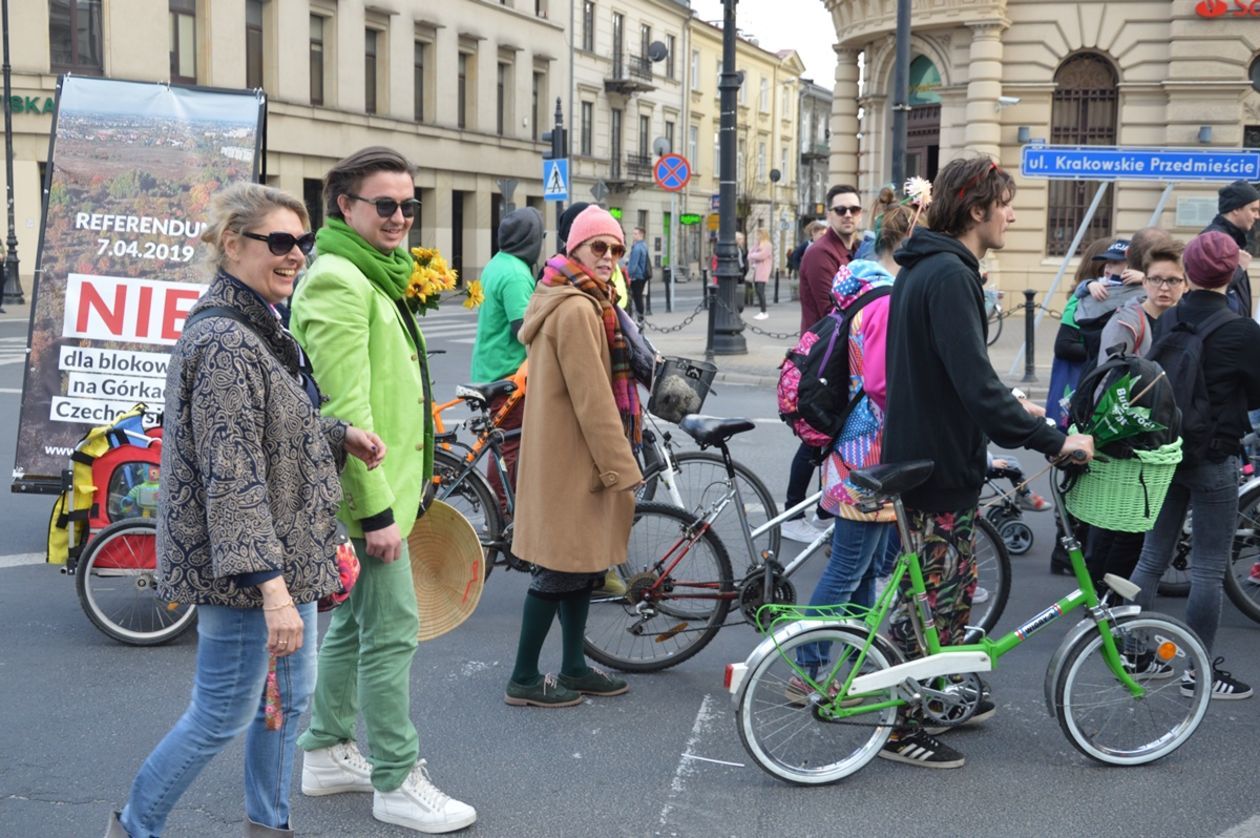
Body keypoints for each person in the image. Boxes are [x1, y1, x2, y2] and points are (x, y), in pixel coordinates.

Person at [107, 182, 386, 838]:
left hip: (281, 563)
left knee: (285, 706)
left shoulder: (261, 325)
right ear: (233, 245)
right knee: (221, 715)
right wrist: (273, 595)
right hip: (247, 577)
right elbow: (231, 478)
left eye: (303, 243)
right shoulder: (230, 342)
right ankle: (134, 828)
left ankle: (268, 825)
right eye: (280, 242)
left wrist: (336, 433)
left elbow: (270, 428)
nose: (296, 256)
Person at [881, 157, 1094, 768]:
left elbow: (955, 375)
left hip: (929, 454)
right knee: (936, 604)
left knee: (943, 594)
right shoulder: (950, 275)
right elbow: (974, 386)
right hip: (936, 465)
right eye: (1005, 204)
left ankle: (934, 692)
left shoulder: (926, 268)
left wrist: (1008, 405)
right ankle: (899, 726)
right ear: (977, 211)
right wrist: (1051, 439)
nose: (1013, 214)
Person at [290, 147, 476, 834]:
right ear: (344, 205)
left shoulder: (373, 274)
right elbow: (346, 411)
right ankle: (397, 780)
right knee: (393, 631)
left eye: (408, 205)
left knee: (360, 627)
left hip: (388, 490)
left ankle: (325, 749)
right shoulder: (340, 280)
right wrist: (374, 513)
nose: (400, 217)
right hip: (366, 498)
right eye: (385, 205)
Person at [504, 204, 643, 707]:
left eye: (615, 248)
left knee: (583, 564)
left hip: (568, 454)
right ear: (574, 249)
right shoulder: (579, 307)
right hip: (576, 458)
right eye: (597, 247)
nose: (608, 257)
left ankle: (575, 666)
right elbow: (593, 398)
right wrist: (621, 465)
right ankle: (523, 676)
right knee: (560, 569)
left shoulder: (583, 298)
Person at [1128, 231, 1260, 700]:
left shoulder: (1171, 317)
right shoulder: (1240, 329)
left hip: (1168, 450)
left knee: (1151, 557)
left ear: (1191, 271)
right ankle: (1198, 671)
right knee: (1206, 568)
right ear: (1231, 272)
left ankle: (1135, 652)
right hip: (1214, 456)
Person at [790, 203, 914, 686]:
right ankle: (808, 669)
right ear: (904, 245)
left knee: (863, 573)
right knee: (847, 569)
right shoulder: (883, 301)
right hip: (868, 451)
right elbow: (882, 384)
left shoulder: (861, 291)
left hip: (856, 447)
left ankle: (858, 663)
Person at [1078, 239, 1187, 592]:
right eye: (1156, 279)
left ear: (1185, 283)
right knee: (1116, 530)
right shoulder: (1129, 320)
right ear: (1144, 281)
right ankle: (1099, 602)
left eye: (1173, 280)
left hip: (1155, 440)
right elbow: (1105, 382)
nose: (1164, 288)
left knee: (1132, 531)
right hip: (1123, 438)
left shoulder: (1178, 322)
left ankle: (1108, 602)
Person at [783, 185, 865, 543]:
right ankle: (793, 513)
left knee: (830, 438)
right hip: (822, 364)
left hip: (839, 359)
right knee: (815, 438)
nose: (848, 215)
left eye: (854, 209)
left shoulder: (852, 251)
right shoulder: (820, 254)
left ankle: (820, 511)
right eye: (840, 209)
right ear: (829, 215)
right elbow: (837, 309)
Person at [470, 206, 544, 506]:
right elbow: (523, 328)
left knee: (504, 443)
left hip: (489, 365)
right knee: (510, 445)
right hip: (508, 372)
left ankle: (501, 507)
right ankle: (502, 511)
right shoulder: (515, 273)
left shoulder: (497, 263)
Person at [1046, 237, 1110, 428]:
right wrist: (1105, 352)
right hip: (1077, 387)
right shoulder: (1081, 300)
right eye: (1113, 263)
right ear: (1101, 267)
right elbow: (1063, 346)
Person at [1202, 180, 1258, 316]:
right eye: (1253, 210)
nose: (1257, 216)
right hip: (1221, 326)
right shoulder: (1216, 239)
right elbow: (1210, 285)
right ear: (1236, 209)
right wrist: (1240, 267)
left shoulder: (1230, 237)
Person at [626, 225, 651, 319]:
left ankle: (638, 318)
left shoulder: (637, 248)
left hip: (636, 276)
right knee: (639, 297)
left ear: (641, 235)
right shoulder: (644, 245)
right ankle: (641, 318)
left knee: (635, 298)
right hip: (642, 276)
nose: (633, 235)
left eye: (635, 234)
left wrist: (629, 275)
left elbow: (633, 264)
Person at [748, 228, 773, 320]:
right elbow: (749, 254)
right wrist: (753, 255)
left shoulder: (767, 245)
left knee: (760, 290)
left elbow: (761, 256)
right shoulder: (757, 244)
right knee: (758, 291)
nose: (757, 236)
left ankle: (764, 311)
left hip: (763, 270)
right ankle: (762, 311)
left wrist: (753, 255)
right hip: (755, 270)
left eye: (759, 234)